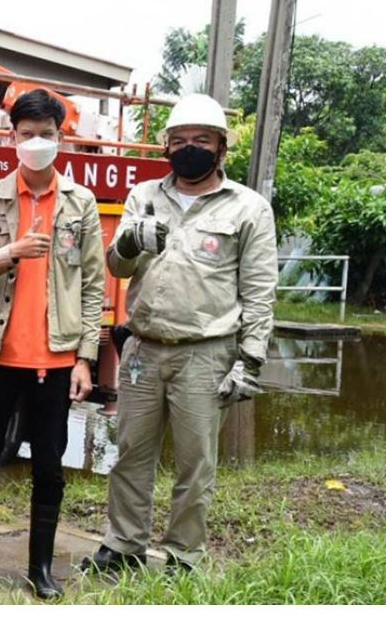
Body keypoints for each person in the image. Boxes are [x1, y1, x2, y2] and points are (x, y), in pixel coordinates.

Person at [81, 93, 277, 575]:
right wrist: (128, 240)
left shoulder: (249, 209)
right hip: (145, 348)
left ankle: (181, 553)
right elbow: (117, 264)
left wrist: (249, 360)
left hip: (206, 353)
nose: (189, 148)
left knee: (196, 463)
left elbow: (259, 290)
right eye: (180, 140)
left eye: (201, 141)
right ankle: (123, 545)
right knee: (130, 454)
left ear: (221, 149)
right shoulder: (144, 195)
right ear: (167, 147)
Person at [0, 89, 106, 599]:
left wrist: (85, 359)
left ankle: (42, 567)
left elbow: (93, 285)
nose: (36, 143)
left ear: (60, 138)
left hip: (55, 359)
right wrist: (10, 251)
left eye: (45, 135)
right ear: (12, 138)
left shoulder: (81, 203)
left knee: (49, 464)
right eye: (26, 134)